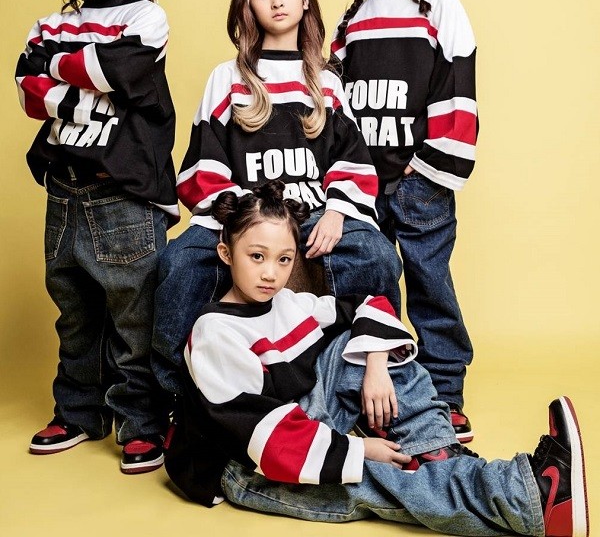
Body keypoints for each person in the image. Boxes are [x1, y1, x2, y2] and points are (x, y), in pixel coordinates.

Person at [165, 181, 588, 537]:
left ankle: (438, 453)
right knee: (371, 479)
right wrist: (359, 449)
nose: (270, 274)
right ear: (226, 254)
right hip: (247, 463)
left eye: (284, 259)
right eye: (256, 256)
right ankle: (530, 498)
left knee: (367, 341)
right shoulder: (215, 333)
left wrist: (376, 365)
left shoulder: (288, 304)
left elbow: (370, 305)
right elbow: (265, 438)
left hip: (303, 425)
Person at [152, 0, 401, 396]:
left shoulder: (326, 82)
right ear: (248, 7)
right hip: (243, 214)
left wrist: (338, 212)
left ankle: (370, 381)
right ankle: (173, 399)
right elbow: (202, 164)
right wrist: (241, 219)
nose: (277, 1)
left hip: (315, 212)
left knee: (377, 255)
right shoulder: (227, 77)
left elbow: (352, 160)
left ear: (305, 2)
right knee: (180, 262)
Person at [15, 0, 179, 474]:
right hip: (64, 190)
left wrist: (60, 70)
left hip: (124, 194)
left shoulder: (148, 18)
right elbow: (26, 88)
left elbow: (119, 71)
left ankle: (142, 422)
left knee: (135, 318)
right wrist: (85, 79)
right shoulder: (51, 22)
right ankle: (79, 412)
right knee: (75, 311)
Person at [330, 0, 478, 441]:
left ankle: (447, 394)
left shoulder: (439, 6)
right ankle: (387, 393)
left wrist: (430, 164)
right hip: (363, 180)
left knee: (429, 282)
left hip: (419, 179)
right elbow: (332, 97)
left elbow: (456, 83)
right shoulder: (353, 18)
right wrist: (341, 169)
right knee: (370, 282)